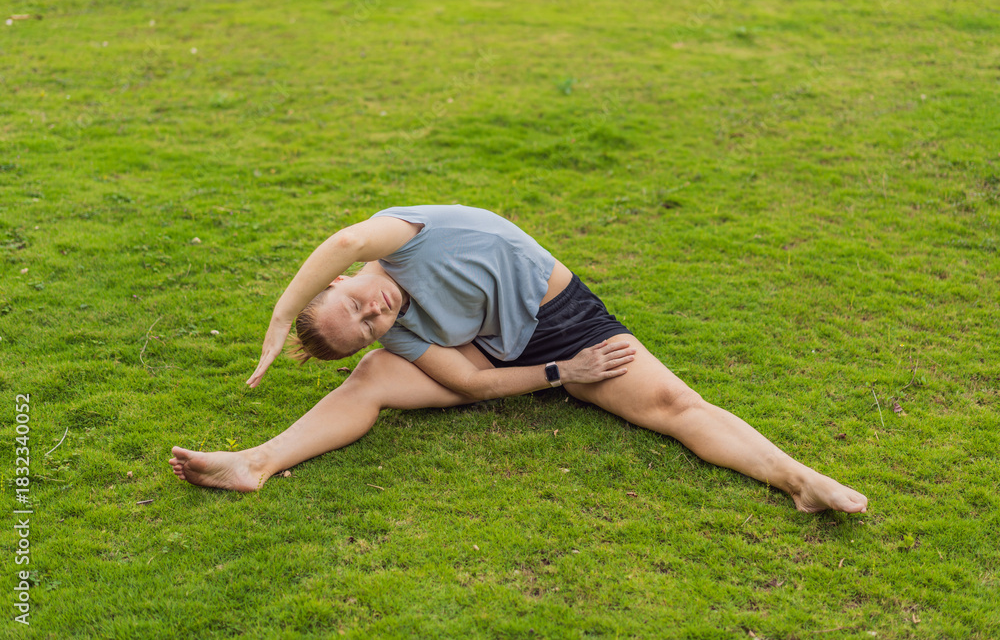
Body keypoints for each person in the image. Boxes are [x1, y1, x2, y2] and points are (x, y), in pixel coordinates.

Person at [169, 205, 868, 513]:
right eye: (368, 326)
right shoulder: (396, 333)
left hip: (562, 320)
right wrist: (564, 376)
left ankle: (798, 479)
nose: (374, 313)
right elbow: (472, 382)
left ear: (342, 279)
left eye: (356, 305)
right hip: (511, 357)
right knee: (374, 376)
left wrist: (281, 315)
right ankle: (255, 462)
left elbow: (348, 237)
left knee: (675, 406)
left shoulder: (399, 235)